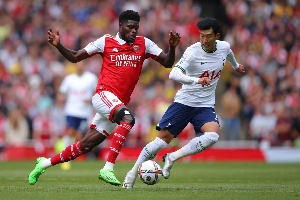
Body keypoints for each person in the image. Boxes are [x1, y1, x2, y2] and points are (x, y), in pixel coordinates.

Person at [28, 10, 181, 186]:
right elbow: (75, 57)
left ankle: (43, 164)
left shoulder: (144, 44)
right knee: (128, 119)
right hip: (103, 95)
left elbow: (167, 63)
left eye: (136, 28)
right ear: (121, 26)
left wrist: (173, 47)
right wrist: (58, 45)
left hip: (117, 104)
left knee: (86, 145)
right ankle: (108, 168)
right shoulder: (106, 41)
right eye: (130, 27)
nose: (134, 31)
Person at [122, 17, 245, 189]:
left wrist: (236, 66)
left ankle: (172, 157)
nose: (204, 40)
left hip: (205, 105)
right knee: (161, 141)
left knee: (213, 136)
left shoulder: (224, 47)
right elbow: (174, 74)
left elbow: (229, 54)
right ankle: (132, 173)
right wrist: (196, 80)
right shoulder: (192, 51)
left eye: (208, 36)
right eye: (202, 36)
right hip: (184, 102)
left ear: (217, 36)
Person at [58, 61, 98, 170]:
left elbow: (98, 92)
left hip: (84, 113)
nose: (79, 66)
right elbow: (62, 92)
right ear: (75, 66)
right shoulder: (69, 79)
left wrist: (90, 100)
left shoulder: (91, 78)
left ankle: (71, 155)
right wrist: (61, 98)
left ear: (84, 65)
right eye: (78, 64)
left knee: (79, 136)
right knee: (70, 131)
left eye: (82, 64)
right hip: (71, 110)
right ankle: (65, 158)